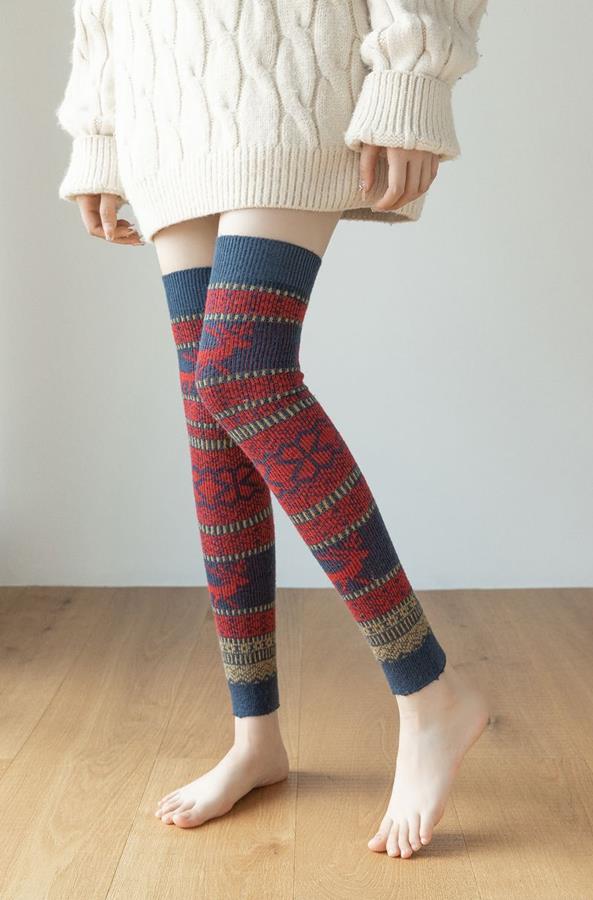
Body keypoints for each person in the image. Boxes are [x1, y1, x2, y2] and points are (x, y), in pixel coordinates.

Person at [56, 0, 490, 859]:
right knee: (208, 409)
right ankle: (255, 737)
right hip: (159, 85)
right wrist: (99, 132)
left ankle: (429, 691)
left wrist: (413, 71)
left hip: (285, 53)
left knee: (240, 373)